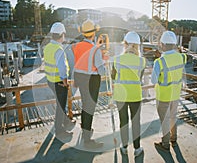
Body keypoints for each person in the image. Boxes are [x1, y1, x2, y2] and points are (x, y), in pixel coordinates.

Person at [72, 19, 106, 149]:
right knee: (90, 108)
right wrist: (104, 61)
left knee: (85, 104)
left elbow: (77, 64)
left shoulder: (77, 46)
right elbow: (101, 70)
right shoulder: (95, 49)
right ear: (93, 34)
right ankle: (87, 140)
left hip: (80, 79)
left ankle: (85, 127)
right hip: (91, 80)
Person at [111, 31, 146, 157]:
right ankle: (137, 148)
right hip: (135, 95)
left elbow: (113, 76)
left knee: (123, 121)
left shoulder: (117, 60)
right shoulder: (142, 61)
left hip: (121, 96)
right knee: (136, 122)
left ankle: (124, 147)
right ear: (137, 46)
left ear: (125, 44)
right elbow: (140, 77)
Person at [151, 31, 187, 151]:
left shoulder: (159, 62)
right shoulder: (182, 57)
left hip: (163, 96)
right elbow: (183, 57)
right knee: (173, 117)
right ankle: (173, 139)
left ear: (163, 45)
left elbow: (153, 80)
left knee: (165, 120)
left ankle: (165, 144)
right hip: (176, 94)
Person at [43, 22, 75, 138]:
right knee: (61, 106)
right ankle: (59, 130)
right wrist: (65, 82)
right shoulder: (59, 50)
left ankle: (66, 122)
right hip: (59, 82)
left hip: (50, 81)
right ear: (62, 35)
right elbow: (63, 69)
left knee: (59, 103)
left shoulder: (47, 48)